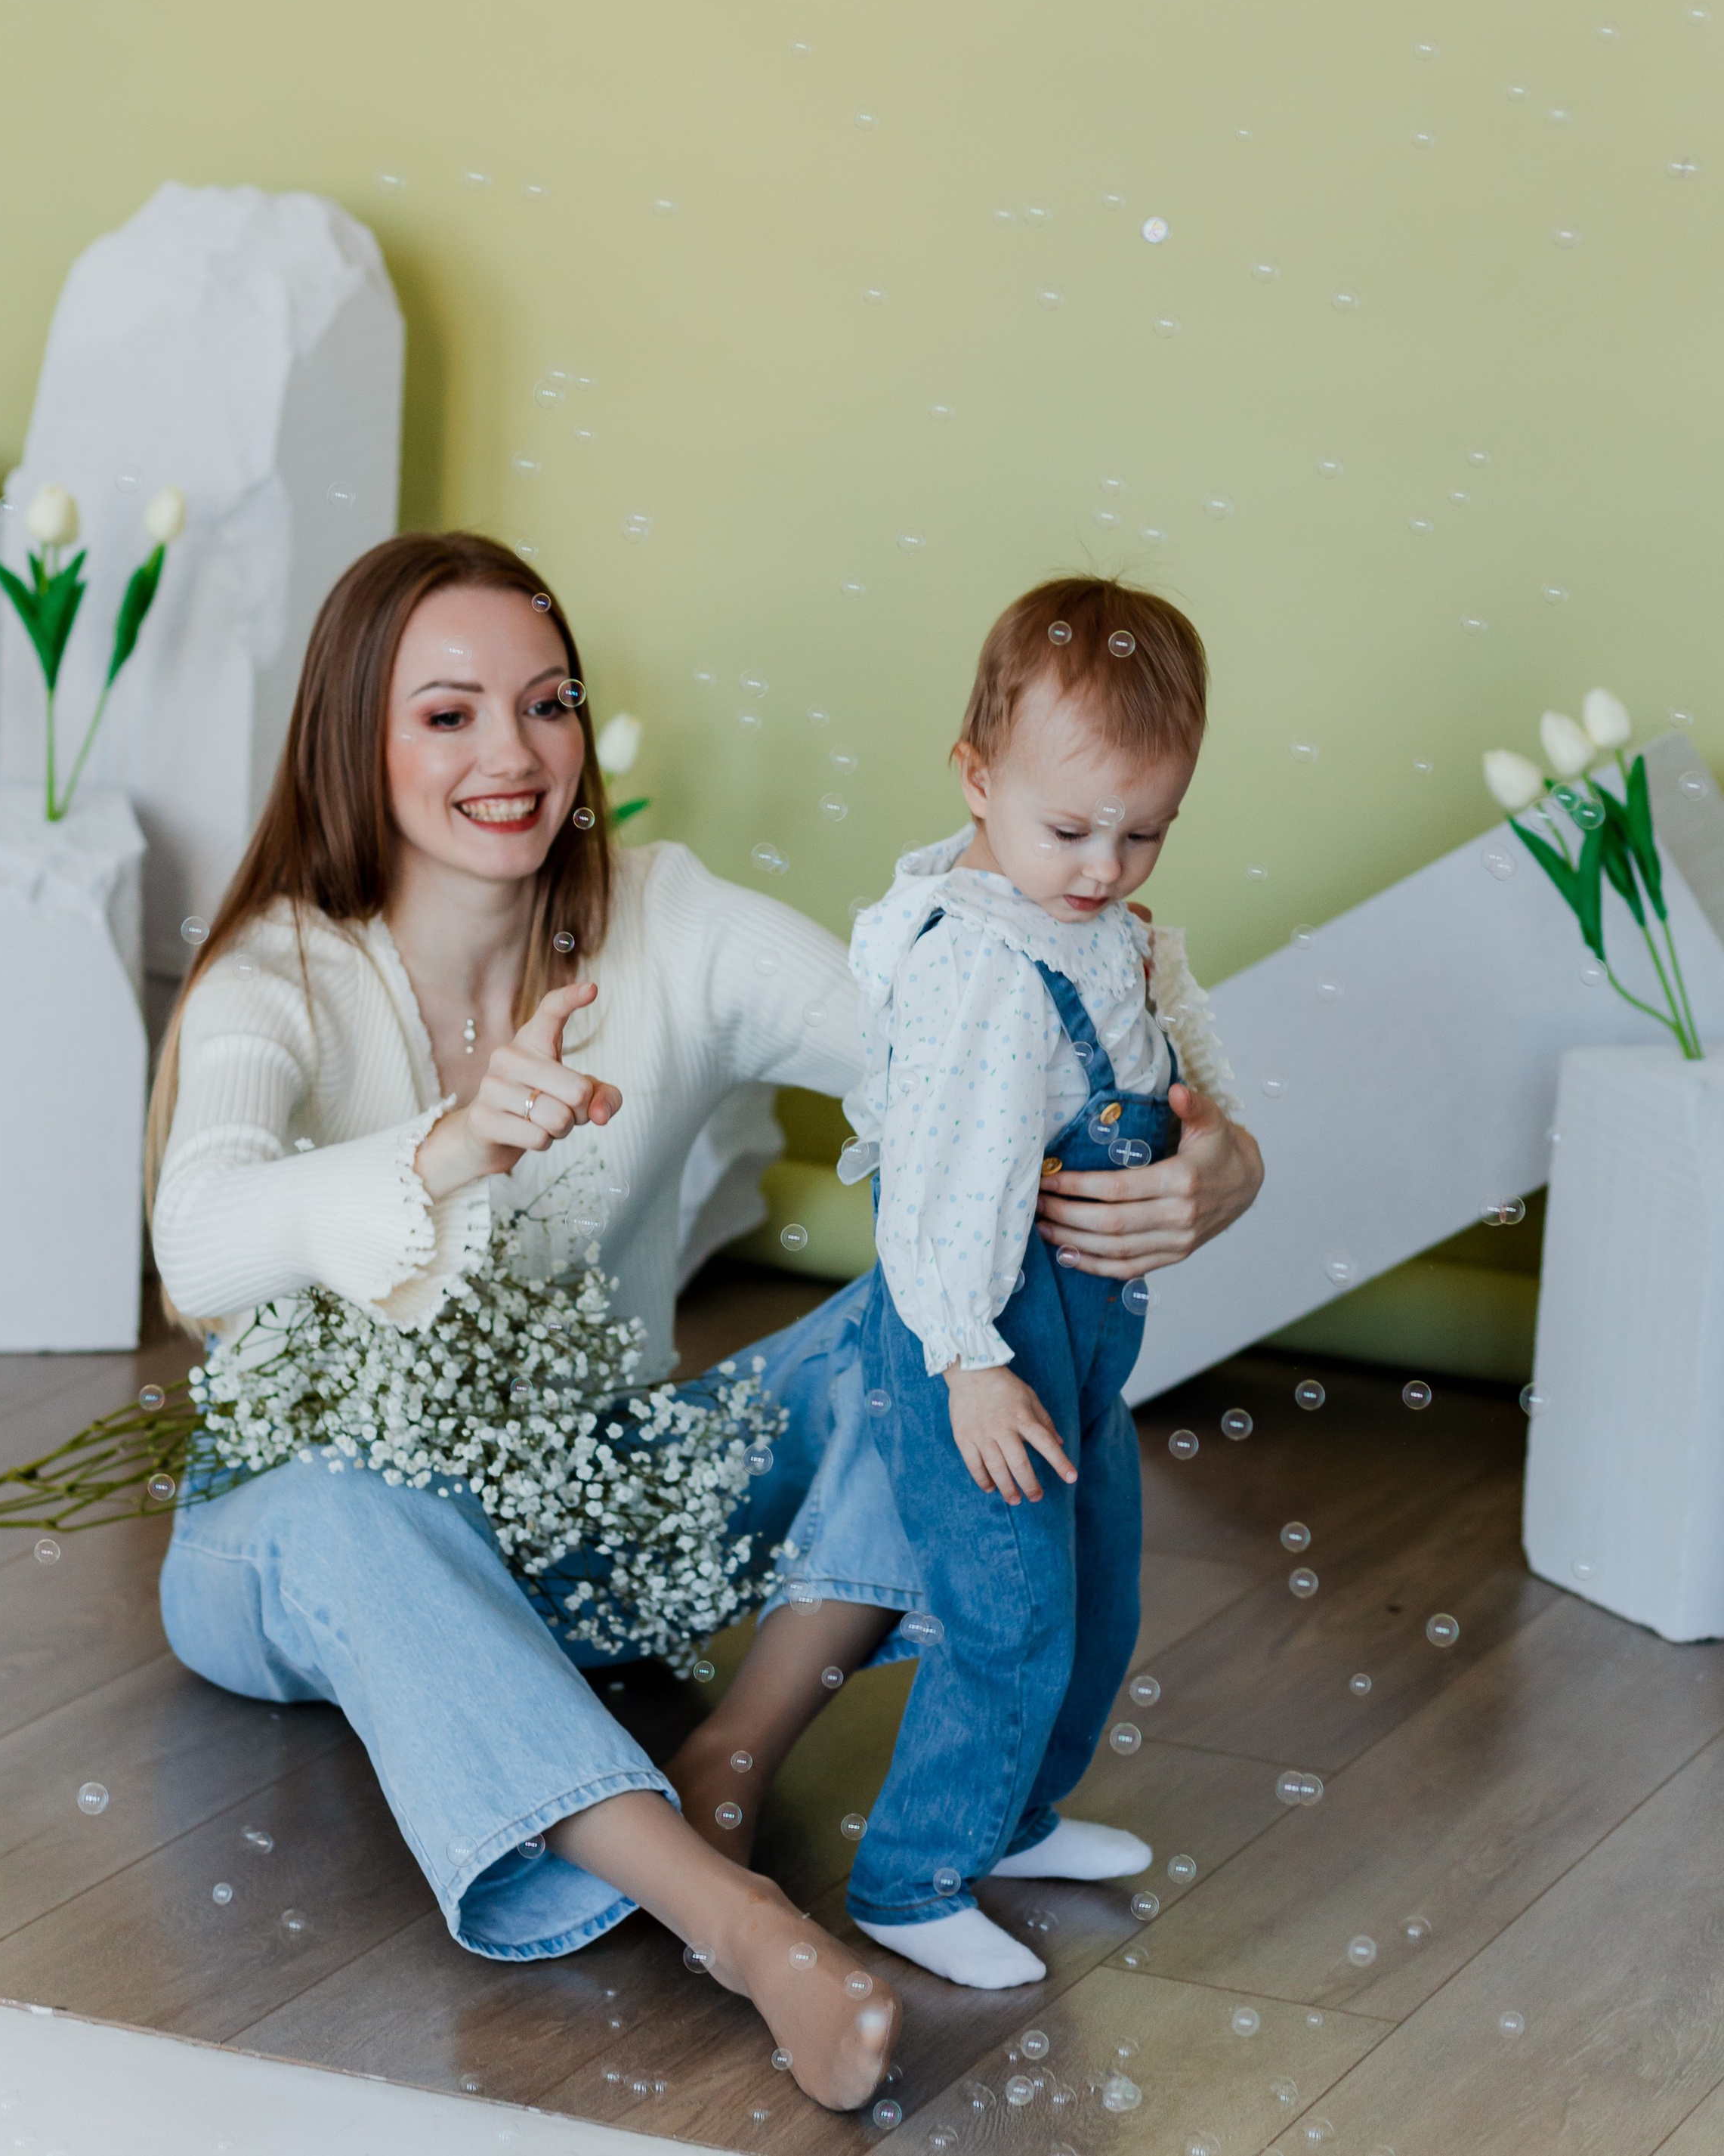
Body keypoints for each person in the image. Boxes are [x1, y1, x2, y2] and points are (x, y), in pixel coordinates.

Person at [150, 531, 1262, 2099]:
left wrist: (1214, 1154)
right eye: (448, 713)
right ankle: (733, 1918)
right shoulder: (274, 974)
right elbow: (197, 1244)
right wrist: (449, 1142)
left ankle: (732, 1750)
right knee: (342, 1510)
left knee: (927, 1322)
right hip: (286, 1546)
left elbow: (950, 1060)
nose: (514, 752)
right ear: (354, 736)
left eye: (547, 703)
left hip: (611, 1507)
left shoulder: (663, 918)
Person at [840, 580, 1240, 1988]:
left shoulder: (1116, 933)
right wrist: (965, 1355)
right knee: (1007, 1608)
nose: (1103, 865)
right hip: (975, 1336)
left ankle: (1013, 1820)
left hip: (1075, 1342)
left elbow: (1181, 1060)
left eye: (1145, 831)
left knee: (1100, 1589)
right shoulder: (982, 967)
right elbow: (943, 1182)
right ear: (976, 776)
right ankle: (909, 1872)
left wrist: (1213, 1131)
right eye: (1069, 829)